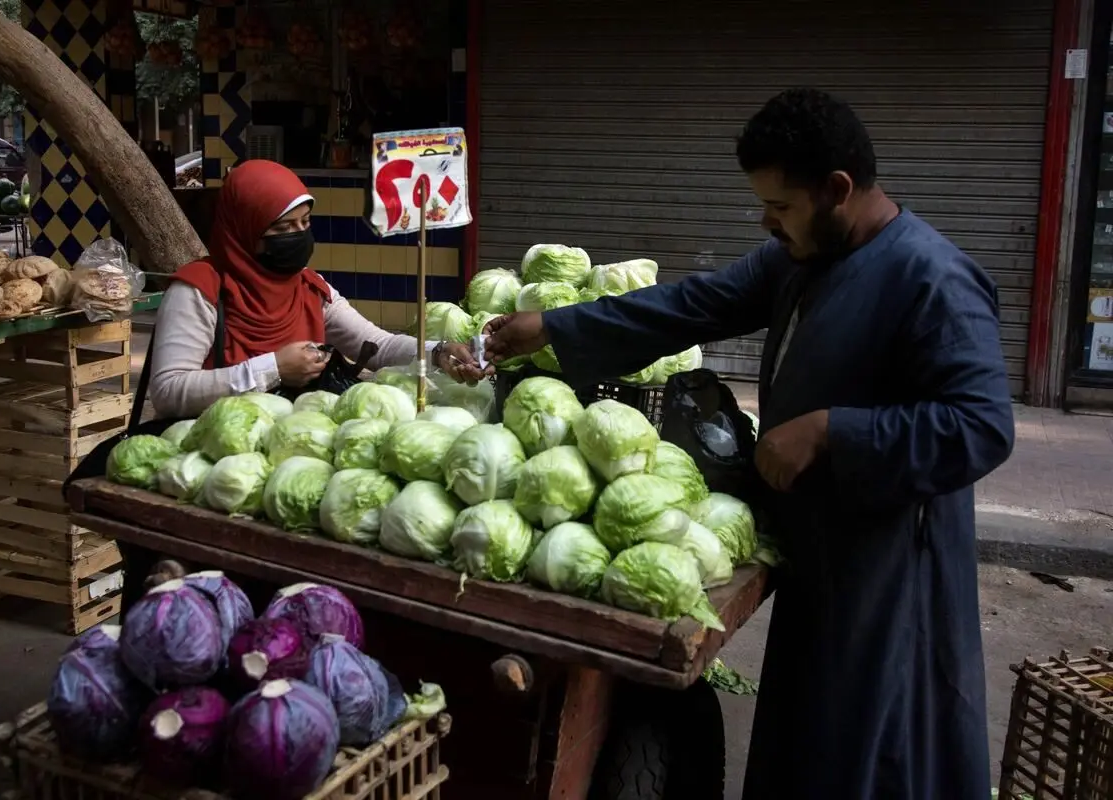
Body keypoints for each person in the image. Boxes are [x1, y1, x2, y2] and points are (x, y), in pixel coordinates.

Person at [485, 88, 1014, 800]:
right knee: (807, 730)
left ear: (837, 190)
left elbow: (981, 426)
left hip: (890, 569)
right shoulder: (798, 259)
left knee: (878, 746)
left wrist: (832, 430)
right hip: (818, 546)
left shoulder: (934, 282)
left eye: (781, 206)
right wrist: (556, 327)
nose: (767, 222)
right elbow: (694, 304)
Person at [149, 159, 485, 420]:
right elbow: (167, 390)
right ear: (244, 231)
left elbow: (378, 345)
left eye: (305, 223)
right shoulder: (199, 290)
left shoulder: (310, 288)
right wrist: (273, 370)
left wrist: (437, 353)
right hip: (210, 452)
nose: (299, 235)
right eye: (284, 227)